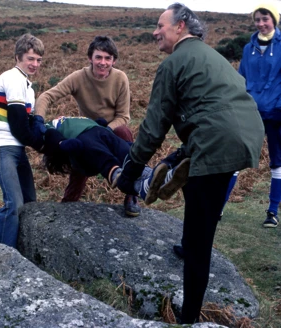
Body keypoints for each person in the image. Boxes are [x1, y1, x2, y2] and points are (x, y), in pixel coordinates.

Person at [116, 3, 264, 324]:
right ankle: (179, 178)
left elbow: (154, 128)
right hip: (246, 135)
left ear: (180, 26)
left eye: (160, 25)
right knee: (197, 190)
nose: (155, 31)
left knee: (201, 231)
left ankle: (190, 316)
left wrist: (129, 172)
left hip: (216, 141)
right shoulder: (212, 56)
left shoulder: (173, 63)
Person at [34, 36, 139, 216]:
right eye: (98, 57)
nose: (103, 63)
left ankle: (131, 194)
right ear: (90, 58)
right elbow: (46, 96)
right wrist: (38, 121)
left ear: (113, 60)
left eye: (108, 58)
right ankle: (69, 202)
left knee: (125, 135)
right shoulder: (78, 77)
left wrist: (106, 129)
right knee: (79, 156)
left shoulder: (120, 78)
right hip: (85, 130)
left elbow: (123, 116)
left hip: (111, 128)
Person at [0, 33, 45, 248]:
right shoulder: (13, 78)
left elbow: (26, 125)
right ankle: (0, 254)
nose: (35, 64)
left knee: (29, 201)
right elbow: (19, 123)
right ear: (18, 57)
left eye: (38, 60)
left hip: (16, 146)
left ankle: (25, 250)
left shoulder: (28, 86)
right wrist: (41, 144)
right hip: (2, 144)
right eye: (30, 59)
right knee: (14, 203)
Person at [41, 116, 190, 206]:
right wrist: (62, 144)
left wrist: (102, 124)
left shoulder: (56, 123)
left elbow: (100, 121)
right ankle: (126, 178)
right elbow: (50, 136)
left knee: (126, 155)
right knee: (104, 157)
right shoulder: (49, 125)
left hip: (101, 131)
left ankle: (158, 179)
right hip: (84, 141)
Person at [239, 1, 281, 228]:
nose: (261, 24)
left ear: (274, 20)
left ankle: (272, 212)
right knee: (236, 157)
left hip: (277, 114)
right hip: (251, 113)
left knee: (277, 162)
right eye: (257, 20)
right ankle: (219, 208)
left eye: (265, 19)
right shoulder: (248, 48)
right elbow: (241, 78)